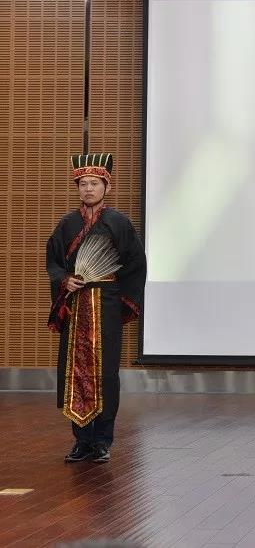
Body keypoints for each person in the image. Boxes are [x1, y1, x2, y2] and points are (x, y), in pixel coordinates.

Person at [46, 153, 147, 463]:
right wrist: (64, 280)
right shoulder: (67, 224)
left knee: (105, 372)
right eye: (83, 184)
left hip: (106, 305)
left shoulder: (118, 223)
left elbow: (135, 264)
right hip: (76, 305)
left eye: (94, 183)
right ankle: (81, 439)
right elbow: (54, 261)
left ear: (107, 187)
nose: (88, 189)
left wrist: (120, 299)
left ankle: (102, 440)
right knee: (74, 370)